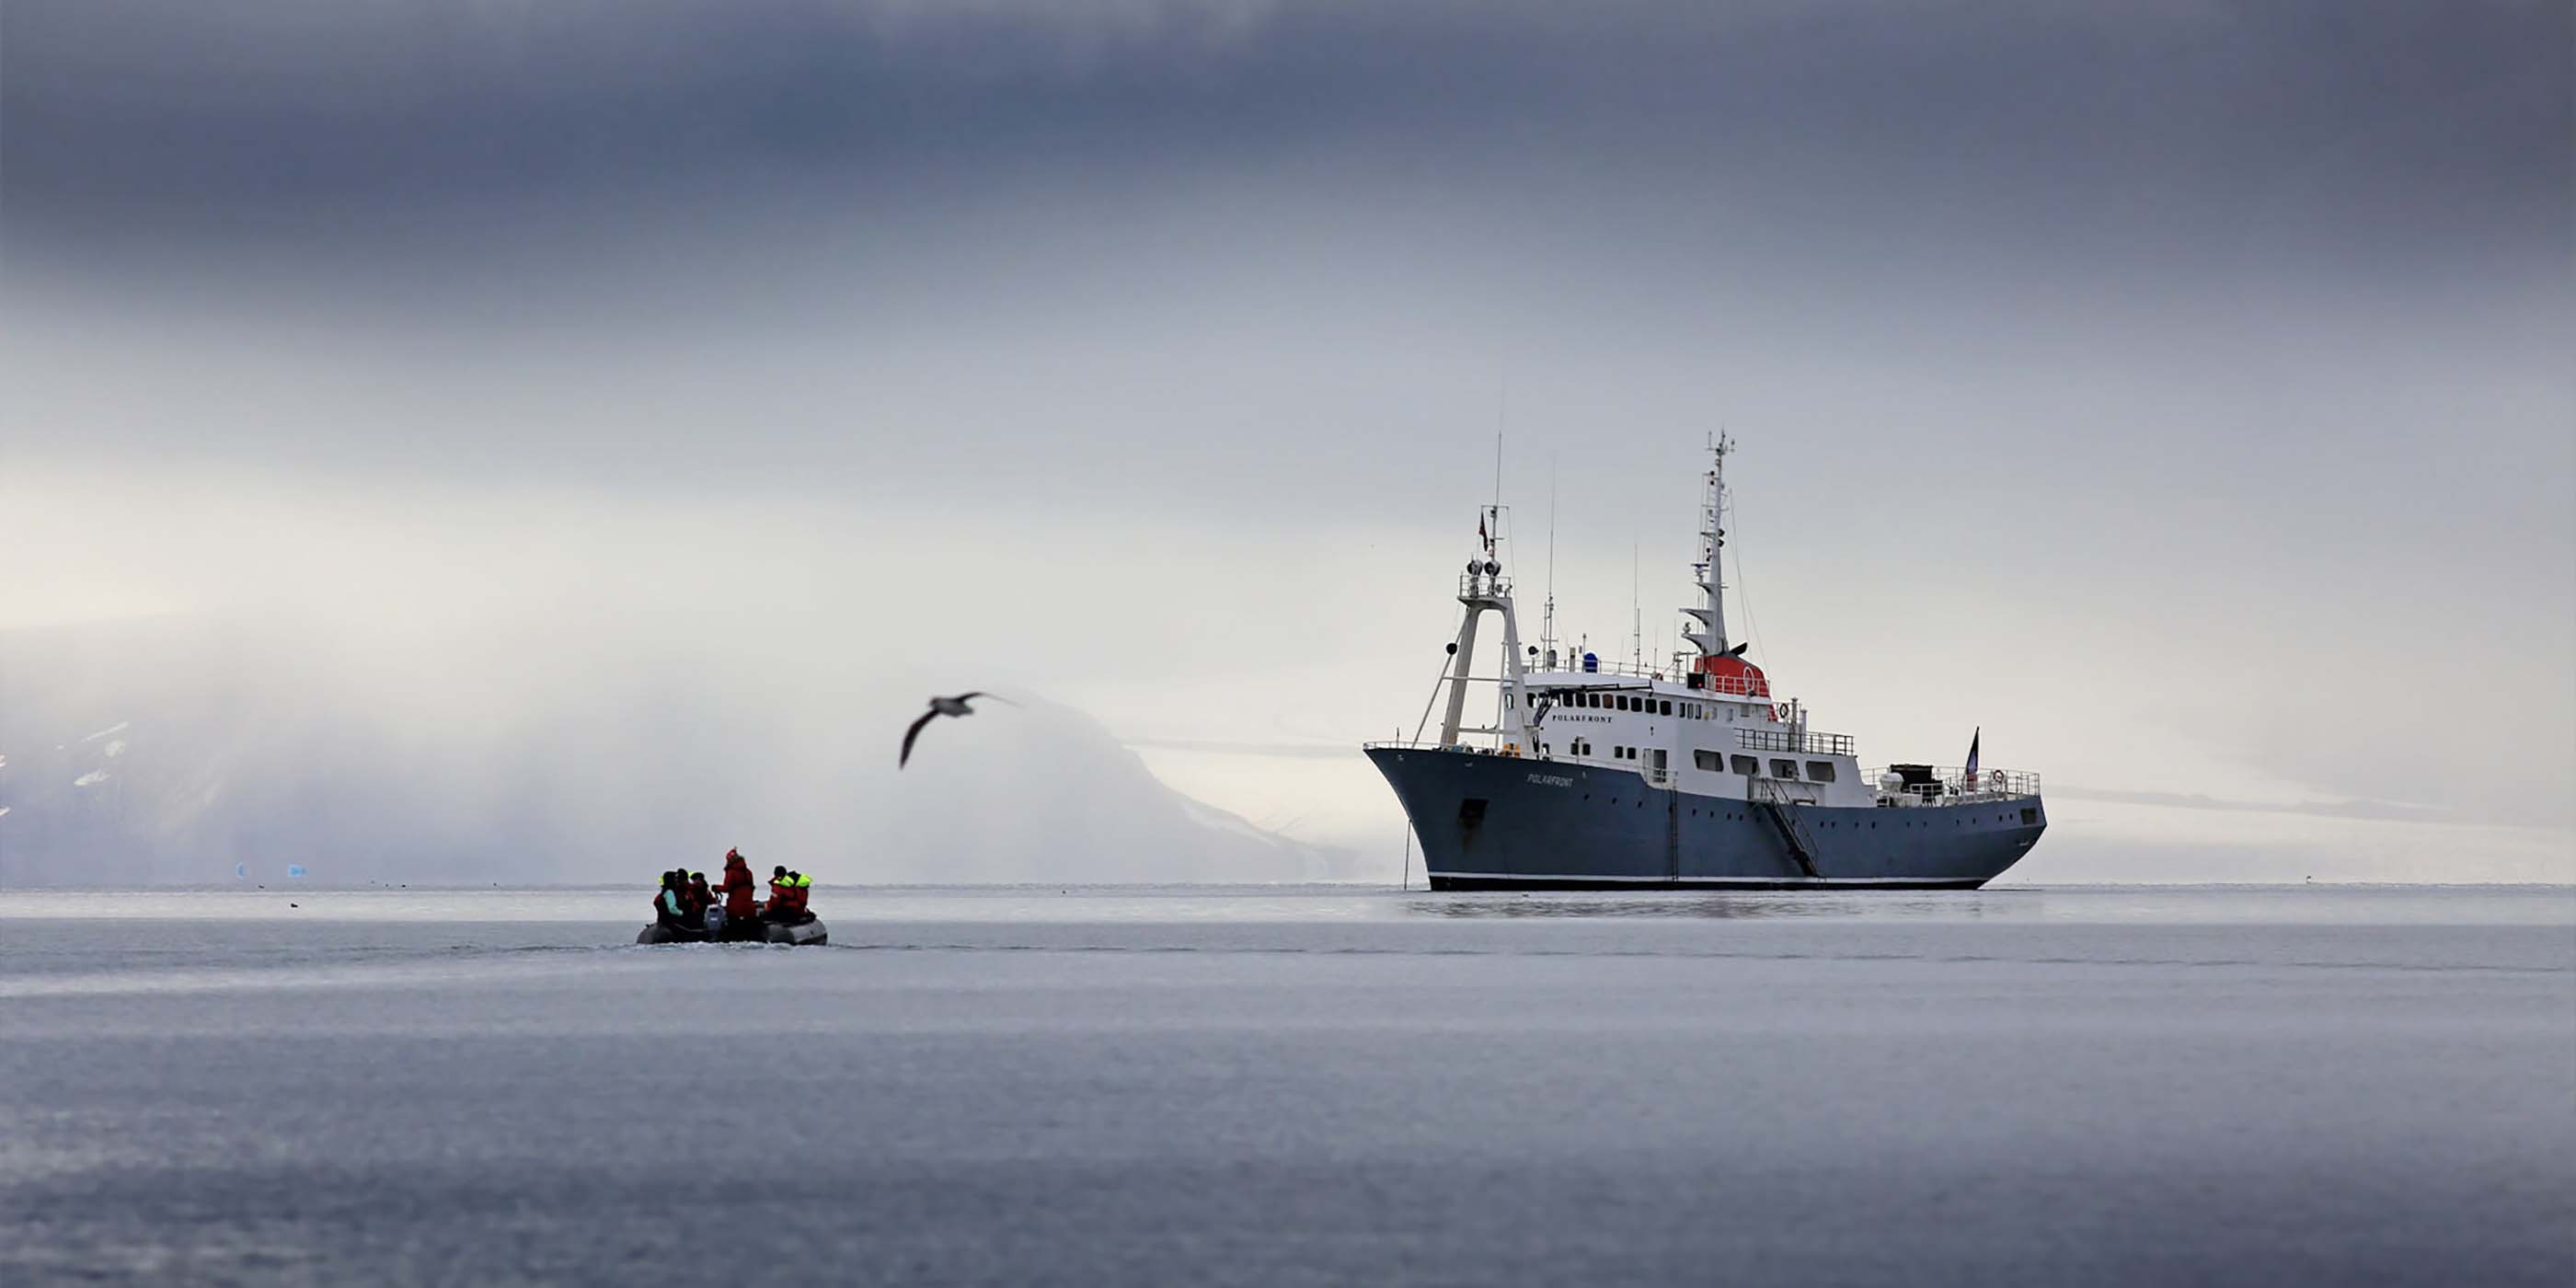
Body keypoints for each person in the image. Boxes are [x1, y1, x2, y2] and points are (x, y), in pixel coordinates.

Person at [716, 850, 758, 923]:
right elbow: (752, 887)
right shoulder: (748, 872)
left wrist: (716, 888)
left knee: (734, 930)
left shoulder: (731, 872)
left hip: (735, 908)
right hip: (749, 907)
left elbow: (727, 887)